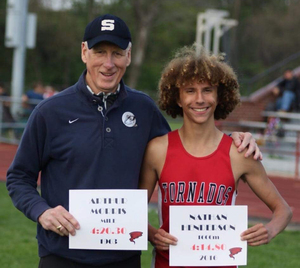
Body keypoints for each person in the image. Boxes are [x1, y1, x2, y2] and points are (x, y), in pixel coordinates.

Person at [7, 14, 261, 268]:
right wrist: (42, 211)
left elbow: (186, 146)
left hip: (124, 258)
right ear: (84, 52)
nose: (108, 63)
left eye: (117, 53)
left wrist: (232, 140)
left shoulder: (143, 109)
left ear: (128, 56)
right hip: (62, 257)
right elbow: (19, 177)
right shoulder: (50, 112)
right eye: (100, 52)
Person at [139, 45, 292, 268]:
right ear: (178, 98)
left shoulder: (239, 153)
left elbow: (283, 210)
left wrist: (269, 230)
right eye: (190, 91)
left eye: (207, 90)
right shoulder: (157, 150)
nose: (199, 99)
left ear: (219, 96)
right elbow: (132, 212)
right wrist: (152, 233)